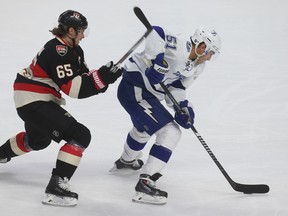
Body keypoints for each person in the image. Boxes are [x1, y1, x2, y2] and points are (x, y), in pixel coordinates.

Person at [0, 10, 122, 207]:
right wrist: (102, 79)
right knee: (80, 135)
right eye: (81, 31)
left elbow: (84, 79)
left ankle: (1, 154)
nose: (84, 35)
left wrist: (104, 75)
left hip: (31, 99)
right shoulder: (59, 50)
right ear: (71, 31)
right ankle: (56, 187)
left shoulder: (73, 50)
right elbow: (73, 89)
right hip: (34, 100)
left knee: (38, 140)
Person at [110, 26, 221, 205]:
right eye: (210, 52)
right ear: (201, 46)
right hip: (134, 87)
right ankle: (145, 184)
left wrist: (183, 108)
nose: (210, 57)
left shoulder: (198, 67)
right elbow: (156, 32)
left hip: (148, 94)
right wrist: (157, 60)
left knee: (143, 129)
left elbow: (177, 87)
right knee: (170, 132)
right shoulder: (179, 45)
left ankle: (126, 162)